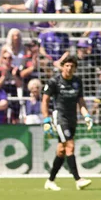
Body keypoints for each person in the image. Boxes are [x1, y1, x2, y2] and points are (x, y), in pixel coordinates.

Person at [42, 55, 92, 191]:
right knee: (70, 145)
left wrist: (86, 115)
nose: (69, 68)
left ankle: (50, 181)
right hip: (60, 117)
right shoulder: (54, 81)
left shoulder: (77, 82)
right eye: (67, 66)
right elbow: (45, 100)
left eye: (72, 66)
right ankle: (78, 179)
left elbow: (80, 101)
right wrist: (46, 119)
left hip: (72, 118)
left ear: (75, 68)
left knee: (61, 150)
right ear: (63, 67)